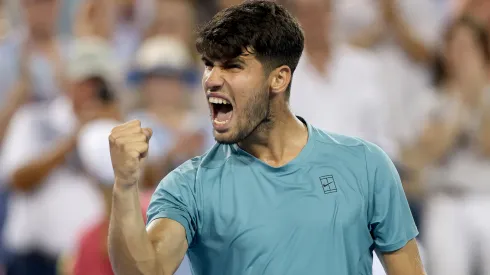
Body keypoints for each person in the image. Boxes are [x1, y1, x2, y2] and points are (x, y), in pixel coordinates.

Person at [108, 2, 424, 275]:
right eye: (209, 65)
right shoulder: (188, 186)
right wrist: (124, 185)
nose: (212, 80)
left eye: (232, 66)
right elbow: (145, 270)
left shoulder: (366, 165)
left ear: (279, 78)